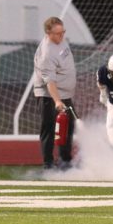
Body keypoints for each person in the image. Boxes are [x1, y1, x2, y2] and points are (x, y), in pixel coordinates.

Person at [33, 16, 77, 170]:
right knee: (50, 129)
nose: (61, 36)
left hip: (65, 95)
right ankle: (48, 164)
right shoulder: (47, 53)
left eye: (63, 32)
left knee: (69, 126)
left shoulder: (61, 41)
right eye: (58, 33)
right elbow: (50, 82)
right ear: (48, 33)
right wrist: (57, 101)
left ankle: (65, 161)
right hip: (49, 96)